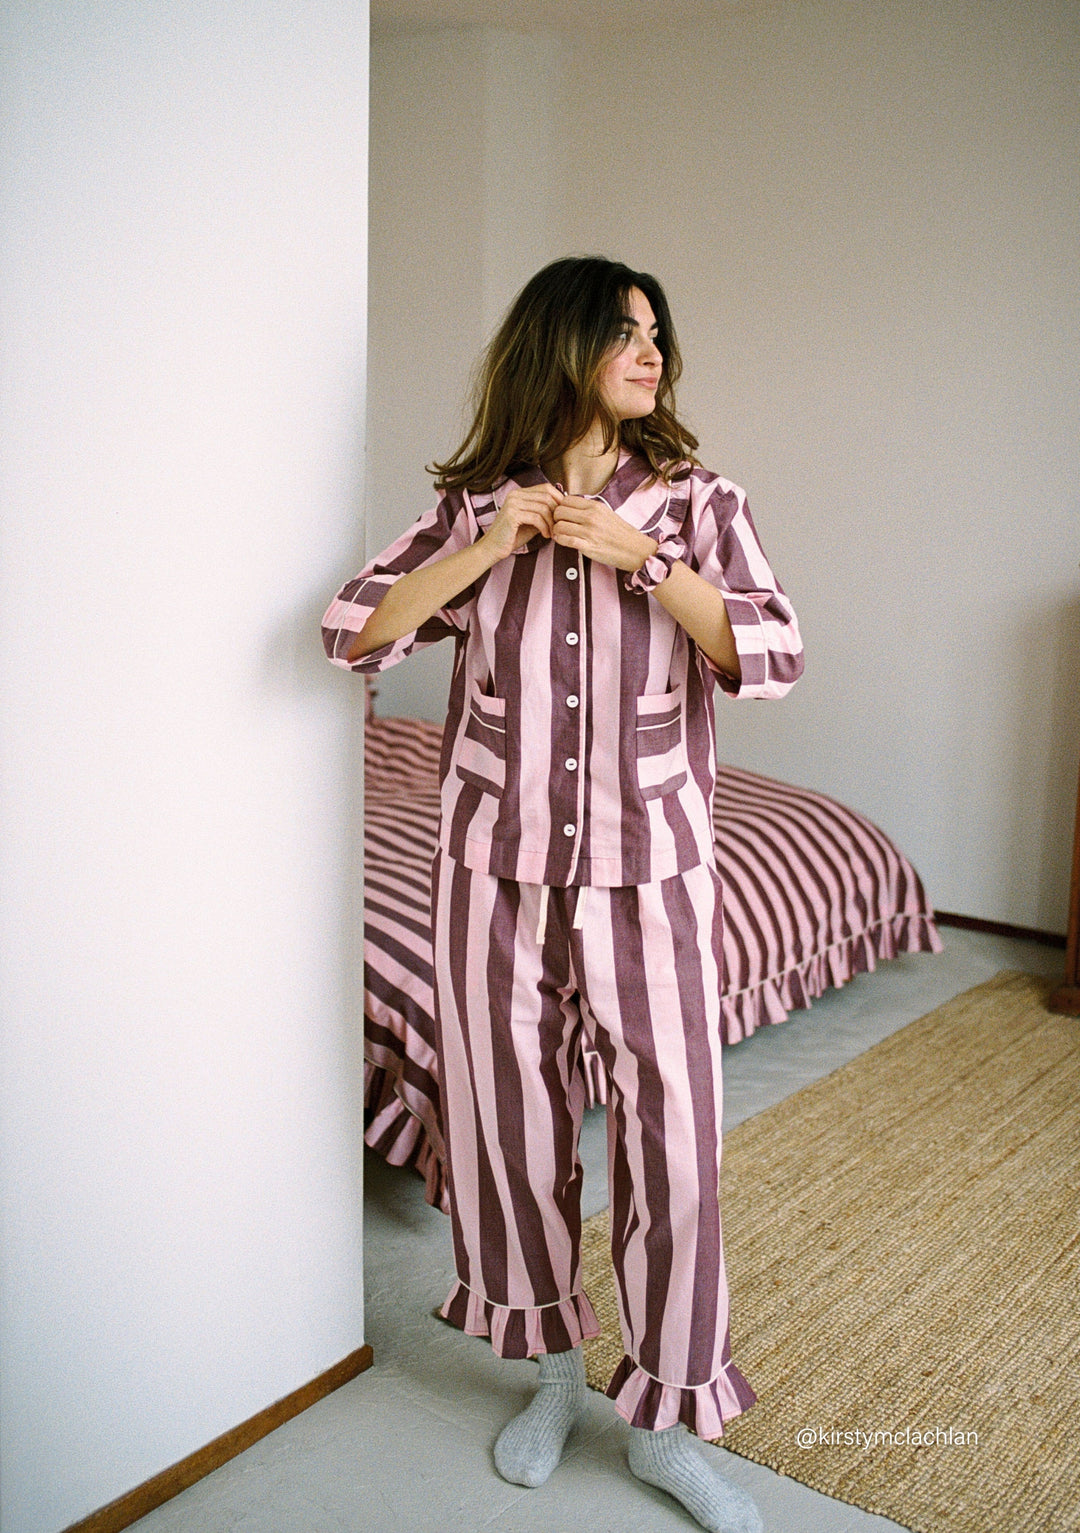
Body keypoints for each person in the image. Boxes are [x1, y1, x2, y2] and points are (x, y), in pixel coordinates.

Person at [322, 256, 803, 1533]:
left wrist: (646, 562)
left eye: (658, 332)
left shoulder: (701, 504)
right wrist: (488, 545)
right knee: (509, 1138)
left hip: (651, 872)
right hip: (492, 872)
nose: (651, 351)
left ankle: (662, 1424)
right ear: (562, 345)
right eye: (624, 332)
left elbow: (774, 650)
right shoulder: (477, 504)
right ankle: (549, 1378)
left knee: (675, 1149)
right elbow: (354, 632)